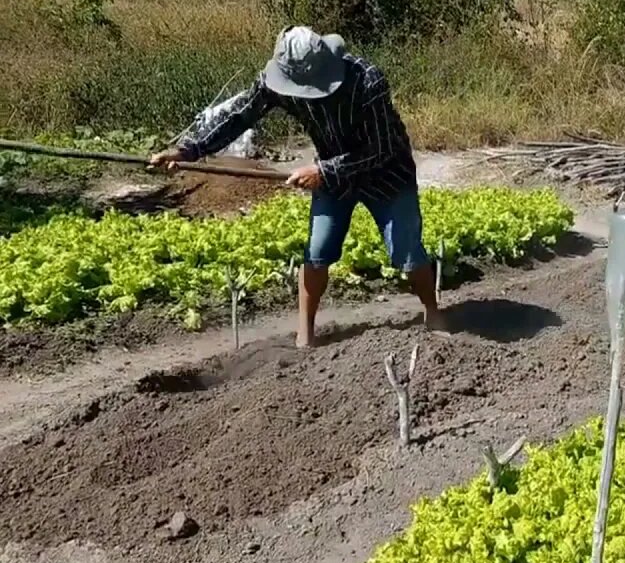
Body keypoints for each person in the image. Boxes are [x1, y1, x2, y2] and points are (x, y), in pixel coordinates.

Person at [151, 25, 445, 348]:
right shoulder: (278, 81)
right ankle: (305, 334)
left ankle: (433, 312)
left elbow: (381, 148)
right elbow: (239, 114)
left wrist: (323, 170)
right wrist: (189, 149)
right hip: (331, 175)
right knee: (317, 251)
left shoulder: (367, 81)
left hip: (387, 173)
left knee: (406, 251)